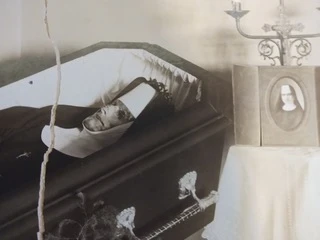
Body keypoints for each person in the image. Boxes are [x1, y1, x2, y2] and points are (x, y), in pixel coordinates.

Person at [0, 77, 174, 196]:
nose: (105, 108)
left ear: (128, 129)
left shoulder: (86, 171)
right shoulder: (60, 117)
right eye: (114, 104)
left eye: (120, 114)